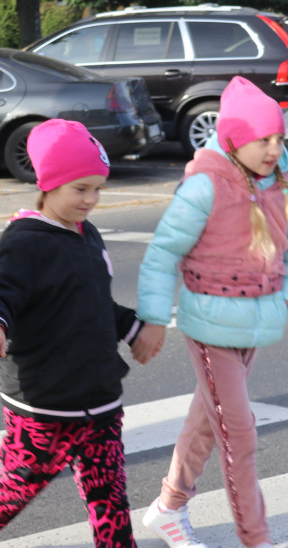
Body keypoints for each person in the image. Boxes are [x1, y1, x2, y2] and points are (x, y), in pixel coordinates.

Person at [0, 119, 162, 548]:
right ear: (49, 184)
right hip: (43, 401)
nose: (91, 199)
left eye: (98, 188)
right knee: (22, 482)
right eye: (80, 188)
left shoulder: (87, 233)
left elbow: (96, 302)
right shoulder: (26, 240)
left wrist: (135, 328)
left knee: (110, 492)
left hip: (100, 393)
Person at [138, 76, 288, 548]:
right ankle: (256, 538)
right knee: (239, 435)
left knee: (210, 417)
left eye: (279, 137)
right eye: (262, 139)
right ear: (234, 140)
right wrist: (154, 320)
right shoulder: (206, 187)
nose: (273, 147)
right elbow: (162, 254)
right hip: (211, 327)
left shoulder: (274, 183)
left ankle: (169, 506)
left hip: (255, 320)